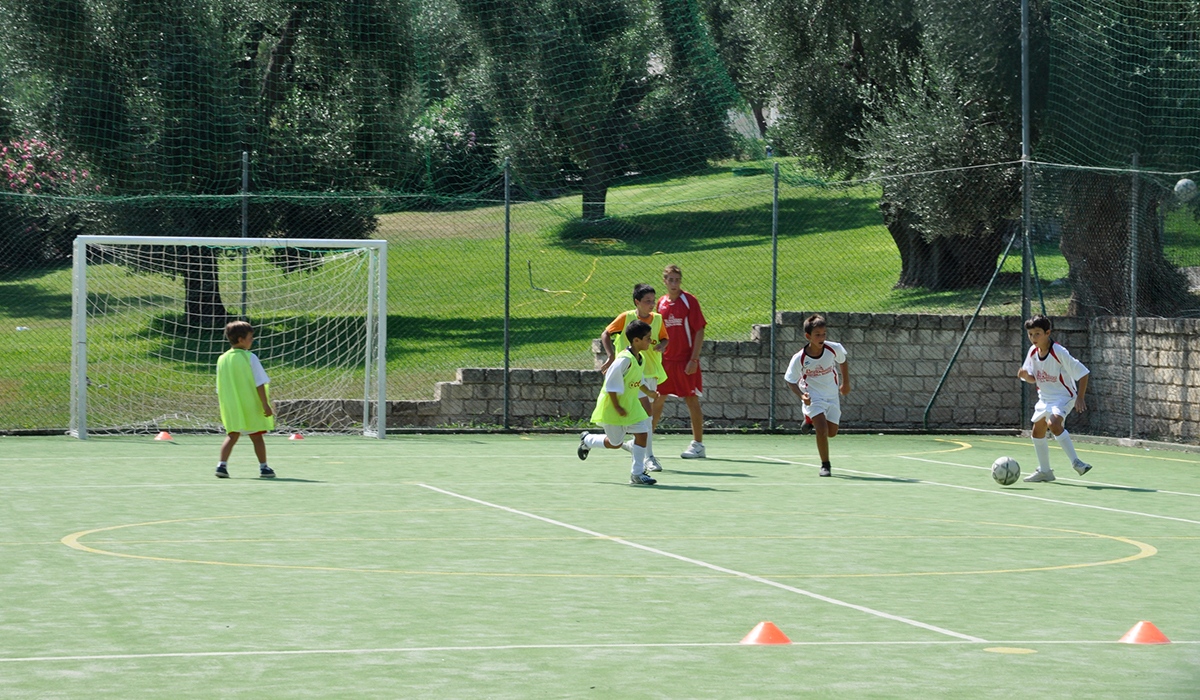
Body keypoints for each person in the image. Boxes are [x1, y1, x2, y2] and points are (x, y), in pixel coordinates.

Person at [578, 319, 662, 485]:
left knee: (642, 433)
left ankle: (637, 474)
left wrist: (649, 392)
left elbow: (639, 381)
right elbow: (610, 385)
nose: (651, 341)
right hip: (613, 408)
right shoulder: (624, 360)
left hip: (631, 406)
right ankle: (587, 440)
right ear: (636, 340)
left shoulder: (640, 358)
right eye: (647, 338)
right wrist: (617, 407)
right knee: (615, 443)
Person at [600, 283, 669, 472]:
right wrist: (611, 356)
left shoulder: (657, 319)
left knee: (647, 417)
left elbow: (665, 338)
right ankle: (638, 455)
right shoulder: (626, 318)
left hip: (648, 372)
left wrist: (663, 345)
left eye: (653, 300)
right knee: (627, 423)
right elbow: (606, 333)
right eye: (647, 301)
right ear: (637, 302)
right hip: (629, 374)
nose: (652, 304)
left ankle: (648, 458)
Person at [1018, 315, 1092, 482]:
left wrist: (1080, 397)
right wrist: (1024, 375)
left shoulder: (1058, 352)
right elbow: (1033, 378)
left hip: (1063, 396)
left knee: (1054, 423)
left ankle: (1076, 462)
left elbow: (1084, 372)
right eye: (1030, 334)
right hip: (1044, 398)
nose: (1033, 338)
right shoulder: (1032, 352)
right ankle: (1045, 471)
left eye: (1037, 333)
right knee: (1037, 431)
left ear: (1047, 332)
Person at [653, 264, 708, 459]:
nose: (674, 283)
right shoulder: (660, 303)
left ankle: (698, 445)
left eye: (677, 280)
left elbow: (699, 329)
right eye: (670, 280)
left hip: (686, 360)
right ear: (664, 281)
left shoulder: (689, 301)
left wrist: (693, 359)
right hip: (666, 361)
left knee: (691, 399)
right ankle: (645, 441)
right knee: (657, 398)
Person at [784, 314, 850, 477]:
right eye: (817, 335)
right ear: (808, 337)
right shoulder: (799, 358)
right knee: (821, 429)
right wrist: (801, 396)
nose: (822, 338)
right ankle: (825, 465)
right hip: (812, 396)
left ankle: (808, 421)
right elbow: (790, 380)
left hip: (832, 394)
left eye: (824, 334)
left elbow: (843, 361)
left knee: (832, 432)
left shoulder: (833, 348)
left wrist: (846, 383)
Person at [215, 320, 276, 479]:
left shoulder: (222, 359)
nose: (252, 340)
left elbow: (220, 385)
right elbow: (260, 382)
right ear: (241, 339)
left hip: (232, 405)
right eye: (250, 337)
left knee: (232, 434)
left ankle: (221, 465)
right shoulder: (250, 357)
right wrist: (265, 404)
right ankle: (264, 468)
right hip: (249, 404)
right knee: (257, 436)